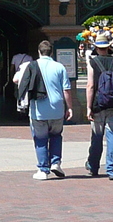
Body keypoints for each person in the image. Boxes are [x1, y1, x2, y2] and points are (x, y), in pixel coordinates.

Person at [20, 39, 73, 180]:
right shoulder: (60, 67)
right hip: (57, 108)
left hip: (38, 109)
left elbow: (21, 83)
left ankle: (43, 170)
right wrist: (69, 107)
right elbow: (66, 90)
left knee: (40, 139)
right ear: (52, 52)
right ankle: (56, 162)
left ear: (39, 52)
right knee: (56, 135)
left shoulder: (32, 66)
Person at [85, 32, 113, 180]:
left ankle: (93, 166)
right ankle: (112, 170)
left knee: (97, 136)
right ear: (108, 47)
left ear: (96, 48)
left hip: (99, 104)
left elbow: (90, 85)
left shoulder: (93, 62)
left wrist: (88, 107)